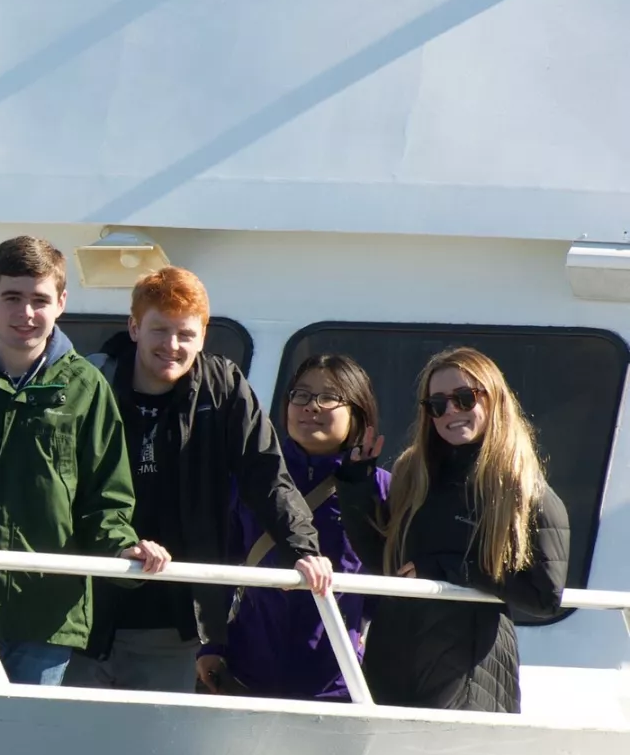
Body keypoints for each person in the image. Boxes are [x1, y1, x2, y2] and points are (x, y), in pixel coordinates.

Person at [0, 237, 167, 685]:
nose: (25, 314)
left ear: (61, 303)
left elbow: (105, 497)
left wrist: (124, 545)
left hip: (46, 616)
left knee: (24, 751)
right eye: (12, 298)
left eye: (39, 300)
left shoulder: (86, 387)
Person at [71, 266, 333, 693]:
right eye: (159, 330)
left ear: (203, 336)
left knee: (154, 750)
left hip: (173, 618)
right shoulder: (92, 384)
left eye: (185, 334)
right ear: (134, 327)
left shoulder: (223, 389)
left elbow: (265, 473)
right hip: (83, 608)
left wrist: (303, 548)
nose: (172, 346)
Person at [337, 347, 568, 712]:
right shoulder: (414, 478)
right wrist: (355, 486)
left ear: (493, 400)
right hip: (394, 659)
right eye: (437, 404)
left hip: (468, 669)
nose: (451, 412)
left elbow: (544, 596)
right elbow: (386, 563)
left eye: (464, 398)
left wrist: (449, 571)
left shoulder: (523, 489)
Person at [196, 355, 391, 701]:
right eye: (300, 395)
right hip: (248, 672)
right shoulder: (252, 478)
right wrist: (211, 644)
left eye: (329, 397)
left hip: (337, 680)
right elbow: (223, 562)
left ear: (358, 412)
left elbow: (388, 577)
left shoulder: (381, 489)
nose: (310, 407)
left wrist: (363, 637)